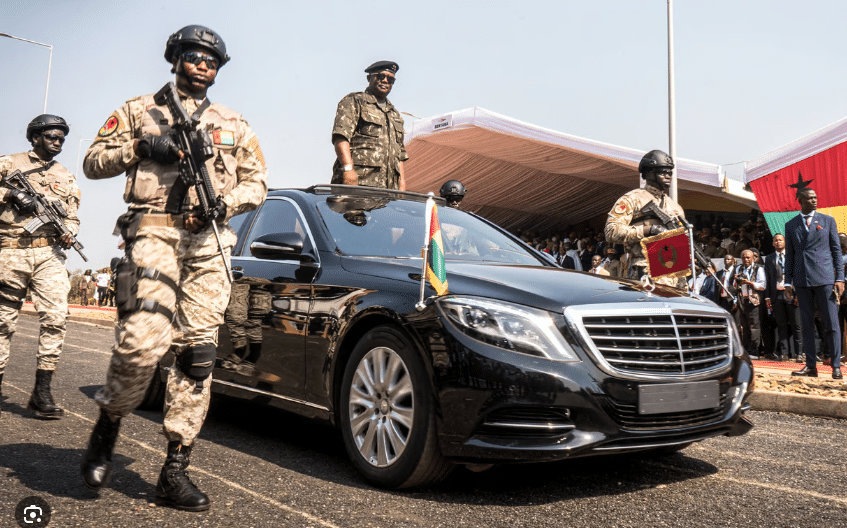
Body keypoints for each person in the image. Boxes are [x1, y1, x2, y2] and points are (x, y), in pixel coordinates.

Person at [80, 25, 268, 511]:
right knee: (143, 342)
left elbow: (258, 184)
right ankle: (111, 420)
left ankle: (174, 468)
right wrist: (141, 149)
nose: (203, 64)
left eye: (212, 59)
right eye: (194, 55)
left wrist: (224, 204)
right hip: (154, 231)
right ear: (176, 57)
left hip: (210, 238)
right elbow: (92, 162)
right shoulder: (138, 109)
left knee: (197, 356)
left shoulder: (235, 123)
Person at [0, 114, 81, 419]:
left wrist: (70, 230)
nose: (57, 142)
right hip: (11, 251)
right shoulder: (10, 163)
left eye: (61, 138)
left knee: (56, 318)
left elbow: (73, 213)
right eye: (51, 136)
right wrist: (9, 193)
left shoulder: (66, 176)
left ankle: (41, 391)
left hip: (49, 254)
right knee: (3, 321)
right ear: (34, 137)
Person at [784, 187, 844, 379]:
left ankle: (835, 366)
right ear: (800, 200)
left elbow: (836, 251)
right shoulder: (791, 225)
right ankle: (811, 366)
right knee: (807, 325)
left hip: (825, 279)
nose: (815, 201)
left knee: (832, 324)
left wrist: (840, 278)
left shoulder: (827, 221)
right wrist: (787, 282)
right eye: (810, 198)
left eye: (815, 197)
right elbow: (790, 256)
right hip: (802, 281)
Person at [604, 150, 685, 286]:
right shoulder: (633, 199)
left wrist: (683, 283)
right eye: (662, 172)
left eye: (670, 172)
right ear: (648, 173)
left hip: (671, 274)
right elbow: (611, 232)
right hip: (644, 270)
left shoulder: (675, 207)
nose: (668, 176)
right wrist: (649, 230)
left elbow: (679, 249)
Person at [331, 61, 407, 190]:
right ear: (369, 78)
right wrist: (348, 169)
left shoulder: (395, 115)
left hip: (388, 191)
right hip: (359, 183)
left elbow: (399, 154)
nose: (385, 81)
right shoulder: (355, 101)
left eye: (390, 79)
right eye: (380, 76)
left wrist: (402, 182)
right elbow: (341, 137)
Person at [763, 233, 802, 361]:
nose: (778, 242)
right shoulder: (769, 258)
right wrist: (767, 297)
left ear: (785, 242)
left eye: (780, 240)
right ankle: (784, 353)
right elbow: (768, 279)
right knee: (782, 325)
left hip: (791, 294)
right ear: (773, 243)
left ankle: (799, 353)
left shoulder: (793, 255)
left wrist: (797, 294)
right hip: (777, 295)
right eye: (776, 240)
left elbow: (798, 275)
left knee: (797, 325)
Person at [733, 249, 766, 357]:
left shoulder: (759, 268)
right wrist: (735, 280)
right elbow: (734, 286)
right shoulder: (739, 268)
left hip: (754, 300)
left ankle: (754, 351)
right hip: (742, 299)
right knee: (745, 325)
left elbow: (762, 285)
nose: (746, 259)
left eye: (748, 257)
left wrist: (750, 283)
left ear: (753, 258)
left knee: (754, 326)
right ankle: (746, 350)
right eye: (743, 257)